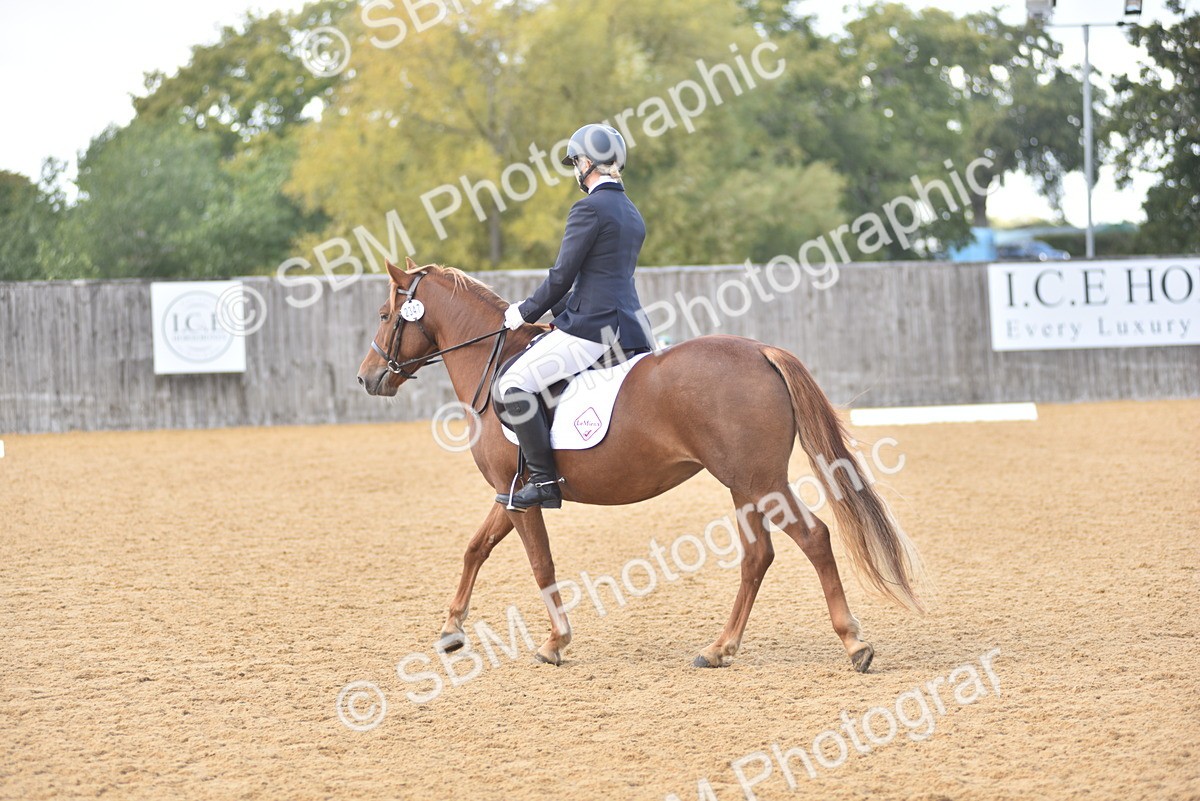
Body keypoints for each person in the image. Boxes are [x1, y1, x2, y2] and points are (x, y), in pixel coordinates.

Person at [496, 123, 653, 511]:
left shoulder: (589, 208)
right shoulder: (631, 212)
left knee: (513, 383)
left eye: (575, 162)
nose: (574, 170)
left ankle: (545, 481)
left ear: (586, 162)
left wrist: (523, 312)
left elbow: (562, 275)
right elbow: (600, 279)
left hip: (593, 329)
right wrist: (561, 310)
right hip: (630, 327)